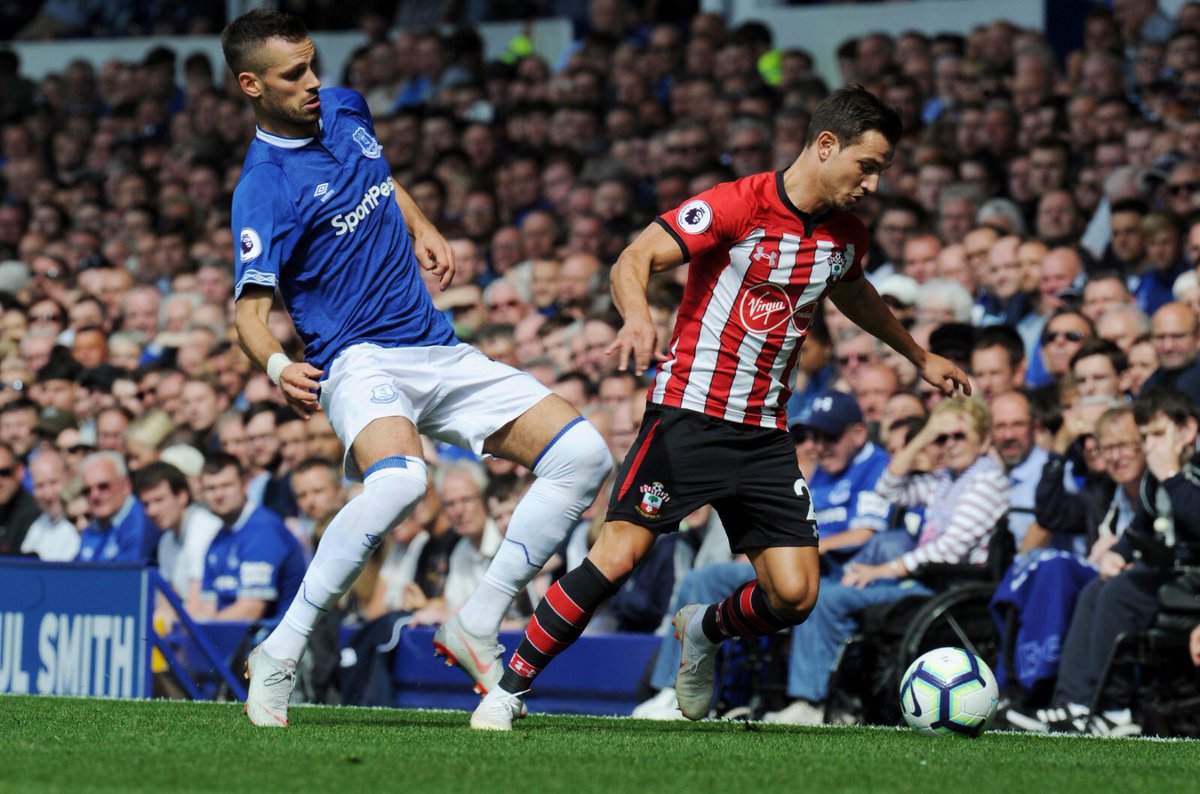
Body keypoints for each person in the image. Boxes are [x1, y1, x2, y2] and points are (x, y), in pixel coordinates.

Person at [471, 86, 969, 730]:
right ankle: (507, 690)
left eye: (881, 171)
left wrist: (917, 356)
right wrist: (637, 317)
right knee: (617, 557)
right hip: (688, 414)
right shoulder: (739, 203)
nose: (872, 183)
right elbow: (636, 256)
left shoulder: (846, 235)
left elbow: (853, 289)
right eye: (866, 165)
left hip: (764, 434)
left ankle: (702, 631)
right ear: (825, 145)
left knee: (795, 595)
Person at [221, 10, 611, 727]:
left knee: (584, 455)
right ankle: (280, 651)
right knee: (402, 480)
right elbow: (247, 313)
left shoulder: (344, 108)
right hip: (355, 358)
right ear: (251, 85)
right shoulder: (263, 186)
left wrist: (424, 225)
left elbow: (380, 174)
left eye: (313, 64)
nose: (313, 82)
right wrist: (277, 364)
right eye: (292, 75)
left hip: (435, 345)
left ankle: (477, 621)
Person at [766, 397, 1008, 724]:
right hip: (922, 580)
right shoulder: (948, 480)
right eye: (942, 438)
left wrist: (882, 570)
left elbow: (947, 550)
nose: (949, 445)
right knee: (836, 584)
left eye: (959, 436)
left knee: (828, 597)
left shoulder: (985, 480)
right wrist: (924, 436)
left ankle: (812, 702)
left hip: (945, 589)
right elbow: (888, 489)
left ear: (984, 439)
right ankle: (831, 698)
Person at [191, 453, 306, 623]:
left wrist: (201, 635)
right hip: (232, 639)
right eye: (211, 488)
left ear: (245, 484)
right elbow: (207, 606)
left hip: (274, 638)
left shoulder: (263, 530)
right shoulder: (217, 540)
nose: (218, 495)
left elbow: (250, 610)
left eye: (226, 485)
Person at [133, 461, 222, 610]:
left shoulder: (203, 528)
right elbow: (165, 604)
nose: (152, 511)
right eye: (146, 504)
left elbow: (197, 606)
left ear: (182, 496)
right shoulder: (165, 541)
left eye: (159, 500)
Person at [74, 451, 160, 564]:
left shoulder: (141, 522)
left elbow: (127, 575)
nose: (95, 495)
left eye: (103, 486)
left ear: (126, 486)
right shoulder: (94, 525)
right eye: (87, 490)